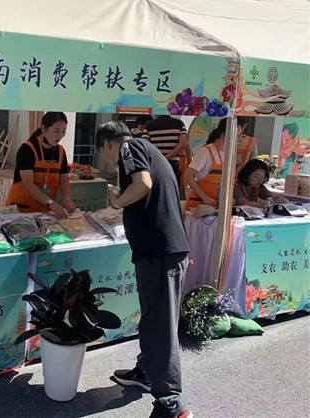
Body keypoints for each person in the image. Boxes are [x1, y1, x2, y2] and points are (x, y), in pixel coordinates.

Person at [96, 122, 191, 418]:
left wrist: (117, 202)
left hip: (160, 252)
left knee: (160, 325)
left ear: (106, 144)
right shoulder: (148, 150)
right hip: (159, 251)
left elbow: (143, 184)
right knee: (154, 318)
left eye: (104, 155)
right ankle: (146, 371)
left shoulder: (131, 146)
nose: (109, 163)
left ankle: (170, 404)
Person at [7, 112, 76, 218]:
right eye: (56, 131)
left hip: (46, 212)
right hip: (21, 210)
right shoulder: (27, 149)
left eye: (63, 131)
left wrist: (67, 199)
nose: (60, 135)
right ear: (44, 129)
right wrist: (50, 202)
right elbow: (28, 184)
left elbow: (64, 180)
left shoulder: (61, 151)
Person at [184, 118, 227, 211]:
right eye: (237, 135)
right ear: (224, 134)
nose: (239, 139)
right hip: (198, 207)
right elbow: (188, 175)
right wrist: (204, 196)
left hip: (217, 208)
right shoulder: (206, 151)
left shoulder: (228, 154)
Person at [142, 115, 189, 185]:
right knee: (173, 187)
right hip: (173, 164)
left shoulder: (149, 126)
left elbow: (144, 145)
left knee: (158, 187)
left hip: (155, 163)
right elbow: (183, 144)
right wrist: (166, 157)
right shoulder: (179, 124)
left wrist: (161, 159)